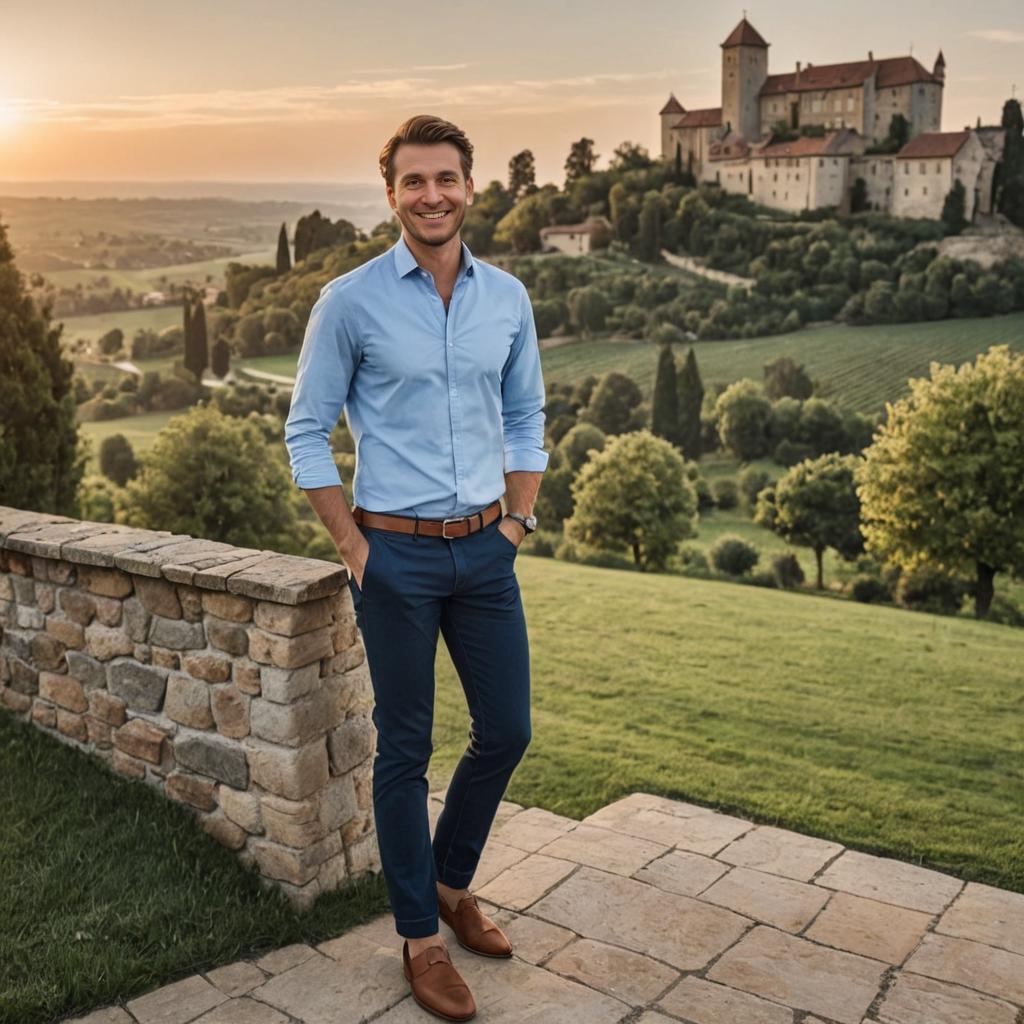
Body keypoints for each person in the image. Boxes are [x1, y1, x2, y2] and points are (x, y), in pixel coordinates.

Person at [284, 113, 547, 1021]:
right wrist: (355, 550)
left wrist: (518, 521)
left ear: (472, 186)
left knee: (507, 728)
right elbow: (304, 432)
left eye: (447, 179)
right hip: (392, 553)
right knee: (404, 751)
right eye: (413, 182)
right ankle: (421, 939)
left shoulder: (506, 297)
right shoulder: (349, 301)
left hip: (486, 551)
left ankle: (447, 881)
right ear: (390, 193)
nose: (431, 196)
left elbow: (527, 418)